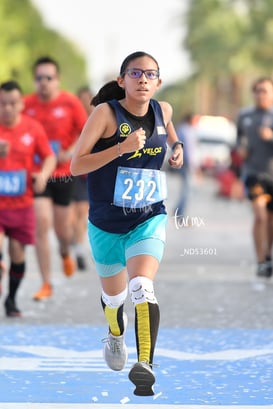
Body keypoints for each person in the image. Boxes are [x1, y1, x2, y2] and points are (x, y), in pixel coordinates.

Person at [70, 51, 183, 396]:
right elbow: (76, 166)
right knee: (114, 297)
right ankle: (115, 335)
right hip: (105, 222)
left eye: (150, 74)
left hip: (148, 217)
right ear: (122, 81)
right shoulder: (105, 114)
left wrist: (177, 149)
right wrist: (120, 148)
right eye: (135, 73)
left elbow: (173, 137)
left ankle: (145, 363)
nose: (143, 79)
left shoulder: (163, 110)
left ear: (158, 82)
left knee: (141, 287)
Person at [23, 56, 87, 300]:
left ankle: (64, 252)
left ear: (57, 80)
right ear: (34, 81)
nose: (44, 83)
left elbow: (87, 131)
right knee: (41, 223)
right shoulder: (27, 105)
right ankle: (46, 282)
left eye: (49, 78)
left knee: (62, 229)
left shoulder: (70, 103)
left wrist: (71, 151)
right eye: (39, 78)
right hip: (38, 175)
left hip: (63, 174)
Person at [0, 80, 56, 317]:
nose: (8, 108)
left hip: (22, 205)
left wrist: (43, 173)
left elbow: (49, 156)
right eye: (2, 104)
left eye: (13, 103)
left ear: (22, 104)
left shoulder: (33, 128)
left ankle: (11, 300)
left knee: (17, 255)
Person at [236, 77, 273, 278]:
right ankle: (260, 261)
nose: (261, 94)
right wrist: (240, 149)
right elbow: (238, 139)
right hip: (253, 173)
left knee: (270, 220)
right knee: (260, 215)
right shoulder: (245, 115)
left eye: (265, 91)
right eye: (257, 90)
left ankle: (268, 256)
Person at [70, 87, 94, 270]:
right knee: (74, 213)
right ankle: (76, 243)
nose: (85, 103)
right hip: (75, 172)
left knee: (82, 211)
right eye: (82, 99)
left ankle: (79, 248)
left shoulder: (100, 119)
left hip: (92, 173)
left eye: (88, 99)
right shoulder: (74, 122)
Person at [174, 112, 199, 217]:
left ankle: (179, 211)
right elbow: (187, 151)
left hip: (187, 164)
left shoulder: (186, 130)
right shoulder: (186, 131)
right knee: (187, 190)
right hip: (187, 165)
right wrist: (192, 166)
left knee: (187, 189)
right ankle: (180, 213)